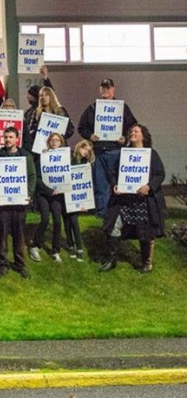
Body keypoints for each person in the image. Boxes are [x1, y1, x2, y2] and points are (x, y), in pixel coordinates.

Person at [101, 124, 166, 273]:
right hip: (124, 200)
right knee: (114, 225)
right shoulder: (124, 154)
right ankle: (111, 260)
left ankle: (146, 263)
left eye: (136, 131)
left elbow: (160, 174)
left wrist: (149, 186)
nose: (132, 133)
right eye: (131, 131)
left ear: (143, 135)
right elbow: (112, 173)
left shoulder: (151, 154)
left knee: (145, 231)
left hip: (143, 200)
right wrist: (115, 185)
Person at [77, 78, 138, 217]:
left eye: (108, 87)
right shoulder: (92, 108)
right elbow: (81, 127)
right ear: (99, 89)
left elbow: (133, 126)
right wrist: (90, 135)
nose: (105, 89)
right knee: (100, 184)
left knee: (118, 184)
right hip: (98, 152)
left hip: (115, 151)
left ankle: (120, 212)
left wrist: (125, 137)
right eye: (103, 87)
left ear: (113, 89)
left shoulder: (122, 108)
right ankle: (103, 213)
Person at [0, 127, 36, 278]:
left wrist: (28, 195)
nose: (8, 140)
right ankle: (2, 262)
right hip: (2, 203)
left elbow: (32, 176)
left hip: (19, 203)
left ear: (17, 139)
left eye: (11, 137)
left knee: (19, 234)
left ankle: (20, 263)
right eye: (6, 137)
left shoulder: (25, 156)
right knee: (2, 233)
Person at [29, 132, 67, 263]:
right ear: (48, 142)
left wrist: (62, 189)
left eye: (57, 140)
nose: (54, 142)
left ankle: (55, 250)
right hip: (44, 194)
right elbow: (37, 178)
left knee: (57, 222)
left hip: (57, 195)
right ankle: (35, 245)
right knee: (45, 219)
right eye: (52, 140)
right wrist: (49, 190)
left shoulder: (65, 159)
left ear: (61, 143)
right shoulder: (42, 157)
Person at [65, 139, 94, 262]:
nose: (86, 152)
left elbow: (86, 183)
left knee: (74, 220)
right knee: (66, 221)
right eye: (84, 149)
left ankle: (79, 247)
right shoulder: (69, 157)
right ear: (79, 147)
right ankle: (70, 245)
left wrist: (85, 202)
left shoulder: (85, 163)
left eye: (88, 151)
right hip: (65, 193)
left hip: (75, 196)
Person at [23, 86, 74, 154]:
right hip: (42, 149)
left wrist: (60, 137)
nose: (43, 97)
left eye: (46, 95)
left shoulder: (60, 111)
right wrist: (38, 132)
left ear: (51, 97)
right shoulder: (36, 112)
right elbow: (31, 130)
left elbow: (71, 129)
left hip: (59, 149)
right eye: (41, 95)